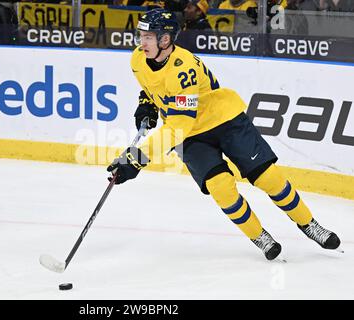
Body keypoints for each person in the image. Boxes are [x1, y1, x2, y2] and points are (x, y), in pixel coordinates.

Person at [106, 8, 341, 260]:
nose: (141, 42)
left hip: (224, 120)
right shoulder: (137, 59)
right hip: (191, 138)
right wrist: (148, 105)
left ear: (165, 39)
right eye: (141, 36)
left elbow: (178, 126)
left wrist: (137, 158)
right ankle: (259, 236)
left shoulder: (182, 69)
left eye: (148, 37)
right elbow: (151, 88)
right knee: (221, 188)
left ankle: (308, 224)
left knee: (268, 178)